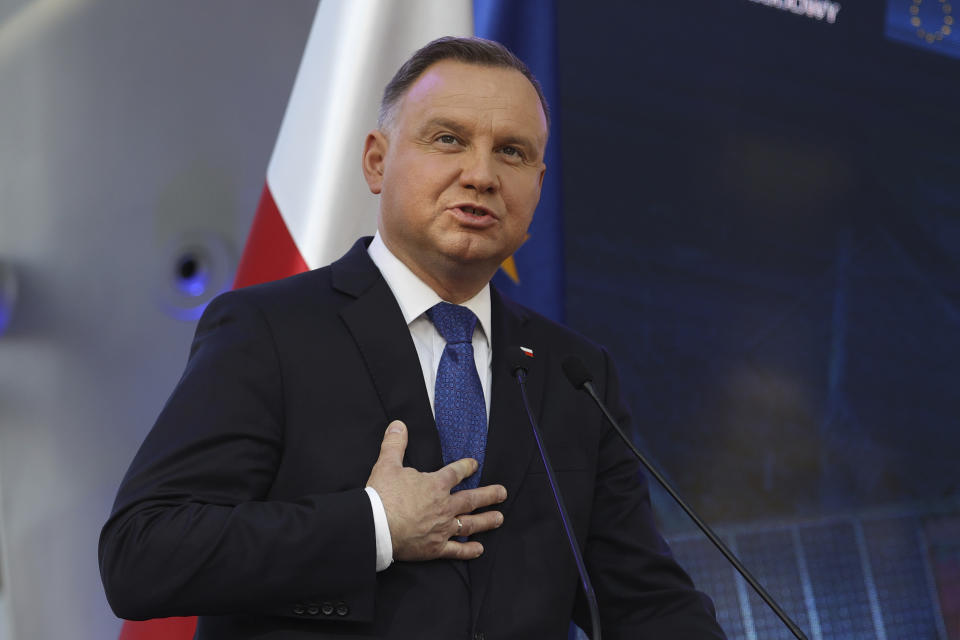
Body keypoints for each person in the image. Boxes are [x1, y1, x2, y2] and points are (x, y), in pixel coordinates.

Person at [99, 37, 726, 639]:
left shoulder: (575, 372)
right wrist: (374, 524)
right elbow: (143, 553)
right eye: (448, 139)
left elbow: (643, 602)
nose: (481, 175)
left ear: (538, 183)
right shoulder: (269, 330)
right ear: (377, 161)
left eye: (511, 152)